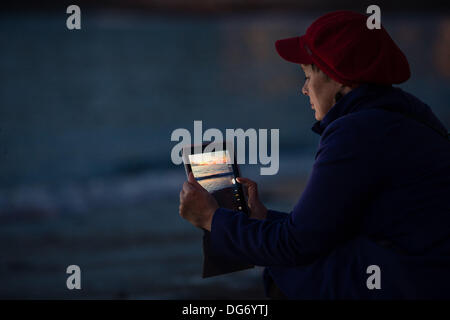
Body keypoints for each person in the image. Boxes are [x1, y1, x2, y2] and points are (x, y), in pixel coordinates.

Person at [179, 10, 450, 299]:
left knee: (291, 273)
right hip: (426, 274)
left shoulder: (358, 131)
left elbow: (295, 245)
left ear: (340, 79)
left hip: (414, 283)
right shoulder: (401, 115)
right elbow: (319, 231)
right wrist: (262, 219)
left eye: (308, 75)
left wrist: (211, 219)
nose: (304, 89)